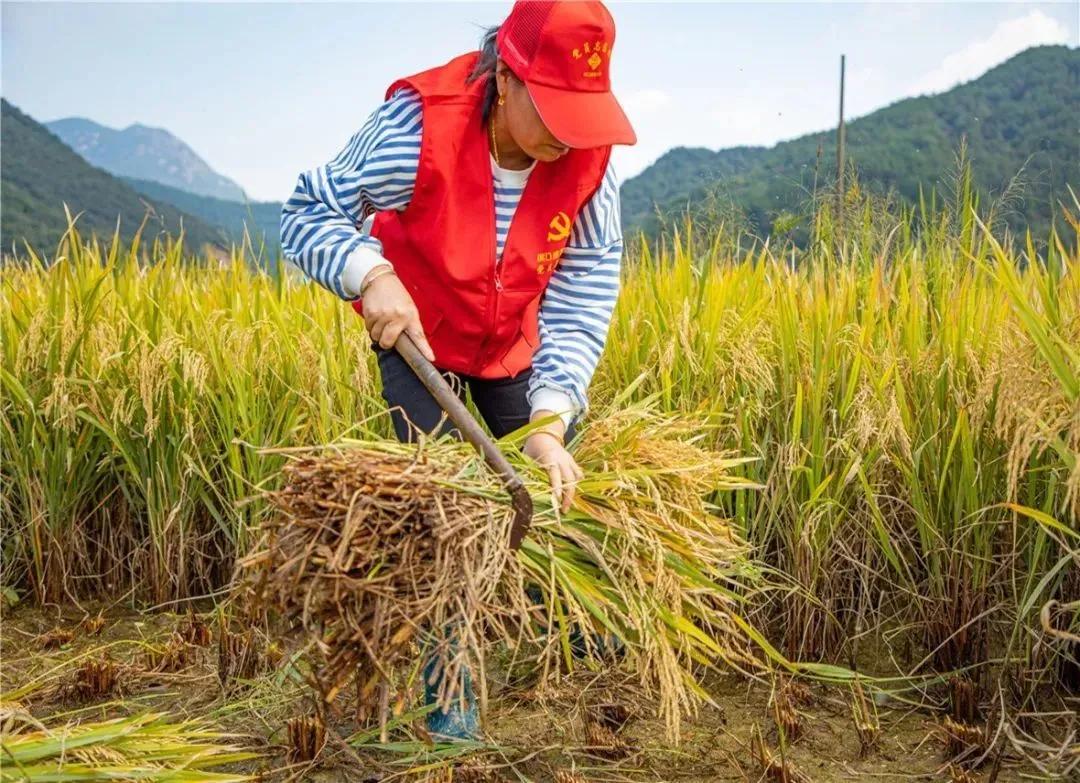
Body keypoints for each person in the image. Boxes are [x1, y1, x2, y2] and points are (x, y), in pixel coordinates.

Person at [280, 0, 636, 740]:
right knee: (445, 513)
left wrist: (548, 418)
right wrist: (368, 274)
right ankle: (453, 699)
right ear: (506, 78)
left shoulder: (592, 164)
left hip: (511, 346)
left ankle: (577, 636)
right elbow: (307, 210)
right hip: (421, 345)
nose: (570, 137)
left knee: (556, 486)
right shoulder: (419, 127)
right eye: (555, 112)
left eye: (583, 114)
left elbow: (583, 288)